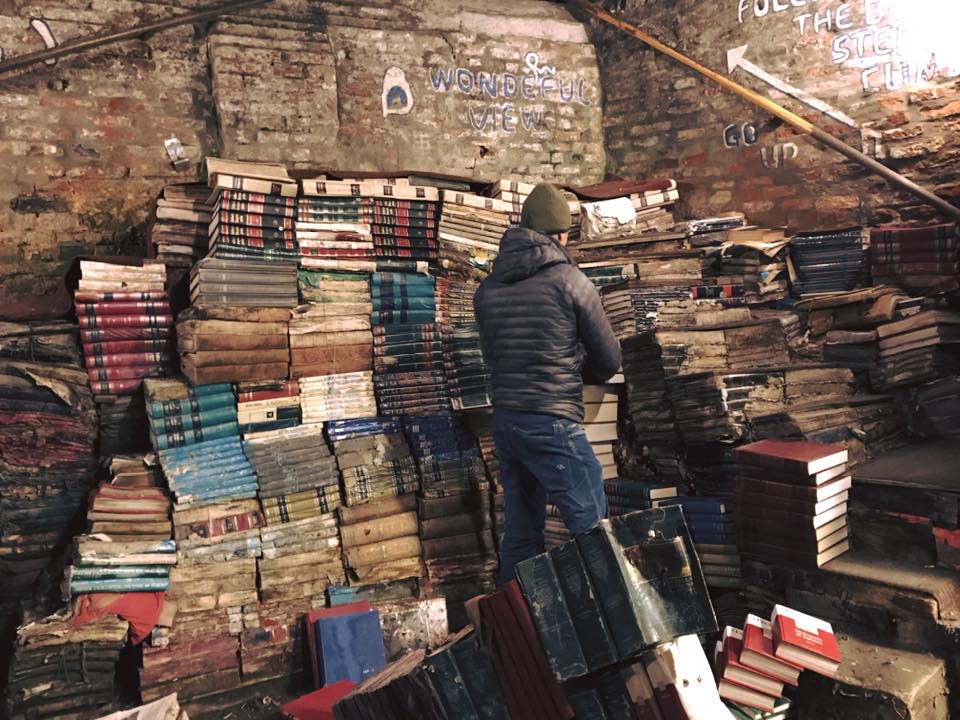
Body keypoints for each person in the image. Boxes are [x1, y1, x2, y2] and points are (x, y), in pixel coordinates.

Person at [474, 182, 622, 584]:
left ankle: (516, 632)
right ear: (560, 234)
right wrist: (575, 370)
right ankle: (609, 635)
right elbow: (609, 361)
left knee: (521, 535)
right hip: (554, 421)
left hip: (506, 421)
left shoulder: (486, 290)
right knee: (592, 529)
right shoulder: (569, 280)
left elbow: (495, 357)